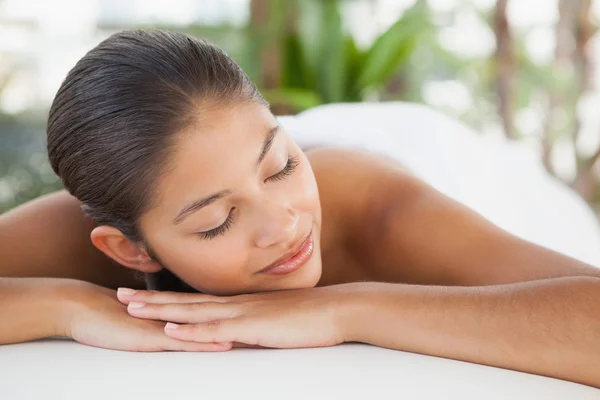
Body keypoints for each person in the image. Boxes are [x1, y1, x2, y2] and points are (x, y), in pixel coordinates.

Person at [1, 29, 599, 388]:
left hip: (453, 161)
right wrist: (70, 305)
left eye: (281, 166)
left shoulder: (377, 211)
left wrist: (346, 309)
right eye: (217, 221)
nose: (283, 224)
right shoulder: (101, 223)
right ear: (130, 248)